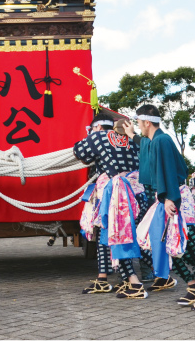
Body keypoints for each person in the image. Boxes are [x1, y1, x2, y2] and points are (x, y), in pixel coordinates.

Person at [124, 104, 195, 308]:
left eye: (139, 123)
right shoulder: (153, 141)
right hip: (167, 198)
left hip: (175, 198)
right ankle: (194, 287)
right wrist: (132, 136)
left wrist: (169, 199)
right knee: (170, 246)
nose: (138, 126)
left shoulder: (163, 140)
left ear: (147, 122)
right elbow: (145, 144)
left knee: (191, 246)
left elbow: (168, 170)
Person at [74, 112, 153, 299]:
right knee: (111, 234)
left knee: (117, 235)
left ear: (98, 127)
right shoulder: (131, 136)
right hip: (138, 193)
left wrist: (91, 137)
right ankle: (103, 279)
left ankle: (135, 283)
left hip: (117, 196)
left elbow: (79, 152)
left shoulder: (98, 136)